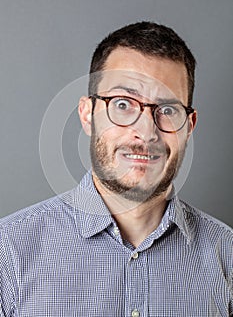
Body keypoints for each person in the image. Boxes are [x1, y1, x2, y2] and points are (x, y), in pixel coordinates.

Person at [0, 21, 232, 317]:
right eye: (123, 104)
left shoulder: (227, 256)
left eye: (168, 110)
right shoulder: (8, 253)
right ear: (88, 115)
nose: (146, 132)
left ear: (189, 126)